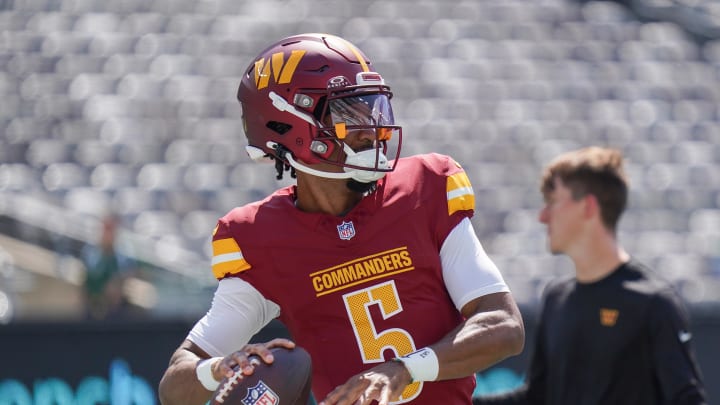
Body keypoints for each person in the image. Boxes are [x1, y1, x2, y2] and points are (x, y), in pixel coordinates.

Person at [158, 33, 525, 405]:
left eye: (372, 108)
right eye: (350, 112)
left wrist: (407, 368)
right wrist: (217, 368)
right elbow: (175, 384)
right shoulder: (261, 239)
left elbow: (504, 325)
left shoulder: (425, 189)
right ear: (288, 125)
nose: (373, 127)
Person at [473, 146, 707, 404]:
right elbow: (537, 397)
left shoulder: (654, 304)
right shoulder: (556, 298)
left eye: (552, 203)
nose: (542, 217)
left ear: (588, 206)